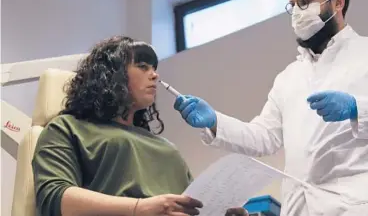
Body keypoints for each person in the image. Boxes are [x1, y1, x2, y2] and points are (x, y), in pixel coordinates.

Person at [173, 0, 368, 216]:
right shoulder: (288, 78)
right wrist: (215, 122)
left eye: (305, 2)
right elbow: (264, 137)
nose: (298, 12)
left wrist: (357, 108)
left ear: (338, 2)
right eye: (292, 6)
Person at [32, 36, 248, 216]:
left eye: (154, 68)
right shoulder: (67, 129)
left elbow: (190, 209)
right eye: (143, 66)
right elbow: (54, 198)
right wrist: (140, 208)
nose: (155, 74)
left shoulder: (167, 149)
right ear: (110, 74)